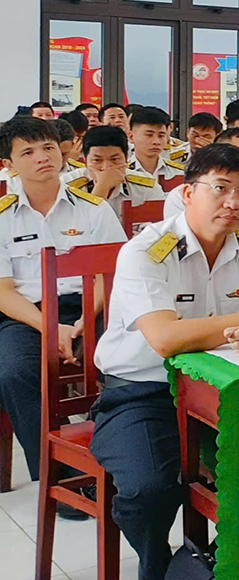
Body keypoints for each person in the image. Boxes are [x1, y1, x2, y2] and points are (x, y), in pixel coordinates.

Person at [91, 144, 239, 579]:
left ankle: (219, 563)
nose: (234, 202)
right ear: (188, 193)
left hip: (227, 391)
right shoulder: (146, 251)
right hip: (143, 392)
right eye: (220, 188)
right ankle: (158, 568)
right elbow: (165, 339)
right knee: (148, 490)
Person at [0, 117, 126, 493]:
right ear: (8, 164)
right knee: (15, 373)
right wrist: (51, 328)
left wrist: (85, 320)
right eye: (28, 152)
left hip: (91, 309)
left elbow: (111, 275)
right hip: (28, 315)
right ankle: (62, 479)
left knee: (127, 360)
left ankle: (118, 463)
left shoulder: (94, 209)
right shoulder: (2, 218)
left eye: (48, 148)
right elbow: (4, 291)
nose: (42, 157)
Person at [72, 125, 165, 221]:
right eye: (97, 160)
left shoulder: (146, 187)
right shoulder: (69, 186)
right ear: (85, 161)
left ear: (126, 158)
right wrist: (102, 187)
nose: (106, 168)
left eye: (114, 159)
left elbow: (160, 225)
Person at [127, 106, 184, 187]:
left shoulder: (179, 173)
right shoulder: (122, 173)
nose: (156, 142)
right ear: (131, 136)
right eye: (149, 135)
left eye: (161, 135)